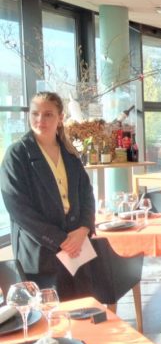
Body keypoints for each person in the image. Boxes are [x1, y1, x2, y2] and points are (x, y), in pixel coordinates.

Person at [0, 92, 95, 300]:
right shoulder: (16, 154)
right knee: (51, 315)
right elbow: (18, 209)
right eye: (35, 113)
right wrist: (61, 240)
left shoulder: (70, 153)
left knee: (82, 309)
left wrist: (84, 229)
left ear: (60, 118)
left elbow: (87, 194)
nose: (40, 119)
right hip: (41, 253)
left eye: (48, 114)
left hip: (77, 248)